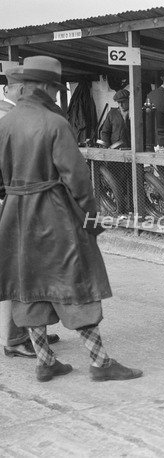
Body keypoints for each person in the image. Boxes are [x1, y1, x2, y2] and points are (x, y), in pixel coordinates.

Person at [0, 56, 142, 382]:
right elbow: (78, 180)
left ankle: (45, 360)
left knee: (29, 286)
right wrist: (92, 219)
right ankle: (100, 363)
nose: (54, 92)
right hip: (54, 214)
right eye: (53, 86)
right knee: (76, 282)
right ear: (46, 86)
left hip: (14, 216)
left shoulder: (4, 124)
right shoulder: (55, 124)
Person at [0, 65, 61, 358]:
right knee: (20, 272)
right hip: (14, 200)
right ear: (18, 88)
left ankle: (33, 333)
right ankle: (17, 337)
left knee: (24, 271)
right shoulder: (10, 116)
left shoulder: (10, 114)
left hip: (13, 198)